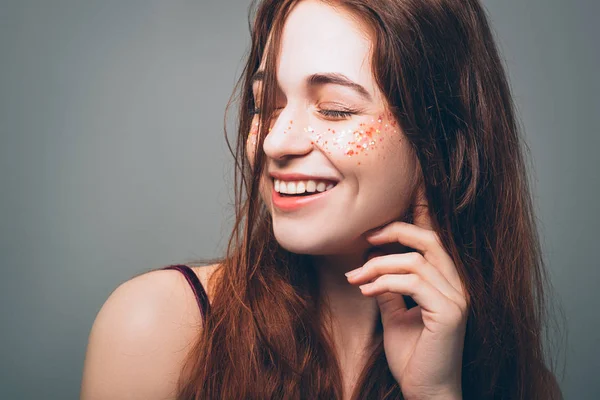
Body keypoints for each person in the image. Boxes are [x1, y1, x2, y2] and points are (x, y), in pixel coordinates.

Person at [80, 0, 564, 399]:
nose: (275, 142)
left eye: (335, 110)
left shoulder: (527, 387)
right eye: (266, 105)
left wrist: (436, 393)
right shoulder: (156, 329)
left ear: (440, 140)